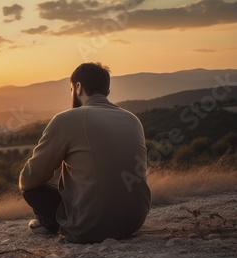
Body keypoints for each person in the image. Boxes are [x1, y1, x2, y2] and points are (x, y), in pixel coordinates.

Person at [19, 62, 151, 244]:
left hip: (91, 226)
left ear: (78, 87)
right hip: (134, 221)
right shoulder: (132, 119)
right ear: (107, 92)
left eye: (71, 89)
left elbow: (29, 179)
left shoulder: (66, 119)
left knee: (32, 190)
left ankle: (52, 222)